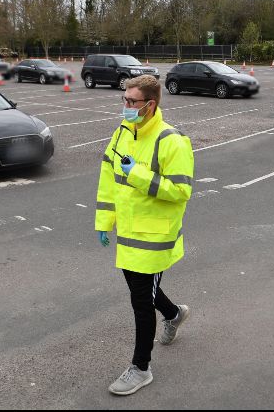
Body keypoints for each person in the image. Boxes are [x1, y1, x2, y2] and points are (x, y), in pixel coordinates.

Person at [95, 75, 195, 396]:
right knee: (143, 292)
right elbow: (108, 178)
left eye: (131, 101)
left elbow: (181, 190)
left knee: (141, 300)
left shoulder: (172, 140)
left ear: (149, 105)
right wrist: (103, 221)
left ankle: (141, 368)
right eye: (124, 99)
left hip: (154, 238)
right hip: (128, 234)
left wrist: (136, 174)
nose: (125, 106)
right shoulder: (123, 132)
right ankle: (174, 314)